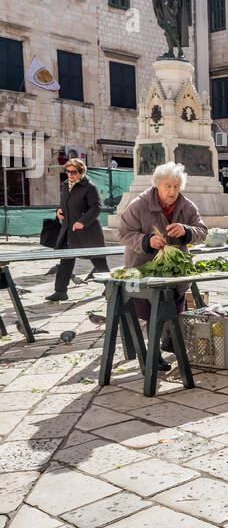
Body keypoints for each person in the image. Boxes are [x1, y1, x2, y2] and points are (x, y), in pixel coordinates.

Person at [118, 163, 207, 370]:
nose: (172, 191)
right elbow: (123, 233)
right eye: (168, 186)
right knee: (150, 312)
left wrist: (186, 231)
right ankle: (152, 355)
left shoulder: (187, 206)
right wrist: (146, 241)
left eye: (176, 187)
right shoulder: (139, 205)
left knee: (174, 309)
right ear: (158, 185)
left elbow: (202, 231)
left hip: (173, 271)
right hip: (141, 268)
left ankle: (171, 344)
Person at [46, 159, 110, 302]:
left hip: (89, 231)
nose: (70, 174)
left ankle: (112, 287)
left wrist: (82, 222)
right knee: (66, 261)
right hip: (69, 230)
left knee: (99, 261)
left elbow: (96, 208)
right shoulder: (65, 185)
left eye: (73, 172)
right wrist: (60, 210)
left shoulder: (90, 187)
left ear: (81, 172)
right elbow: (65, 203)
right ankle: (60, 291)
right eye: (67, 171)